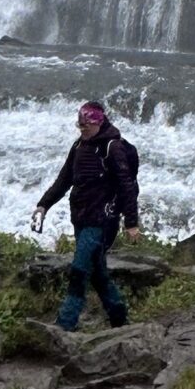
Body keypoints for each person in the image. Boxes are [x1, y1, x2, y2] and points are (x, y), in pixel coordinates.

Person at [31, 99, 140, 332]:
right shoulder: (79, 147)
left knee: (79, 270)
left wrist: (131, 222)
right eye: (79, 126)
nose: (82, 130)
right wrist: (43, 205)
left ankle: (65, 325)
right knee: (98, 274)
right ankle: (120, 319)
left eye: (86, 126)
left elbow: (126, 186)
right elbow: (64, 180)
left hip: (101, 221)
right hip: (80, 217)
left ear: (98, 123)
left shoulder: (113, 148)